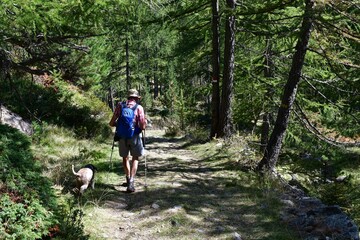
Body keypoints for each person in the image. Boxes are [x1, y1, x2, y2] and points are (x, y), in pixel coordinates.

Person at [109, 89, 146, 192]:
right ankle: (131, 182)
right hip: (134, 136)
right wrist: (140, 126)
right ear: (136, 98)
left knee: (125, 158)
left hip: (121, 136)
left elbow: (111, 123)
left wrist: (119, 126)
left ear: (128, 97)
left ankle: (128, 178)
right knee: (135, 157)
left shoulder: (120, 106)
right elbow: (142, 126)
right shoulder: (139, 107)